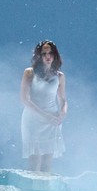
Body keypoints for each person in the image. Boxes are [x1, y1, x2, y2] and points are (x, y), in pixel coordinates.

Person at [20, 40, 67, 172]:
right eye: (44, 53)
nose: (48, 56)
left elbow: (63, 99)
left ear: (55, 55)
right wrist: (44, 115)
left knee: (47, 160)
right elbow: (24, 99)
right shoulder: (29, 73)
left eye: (51, 53)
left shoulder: (60, 76)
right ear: (39, 56)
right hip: (33, 118)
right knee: (34, 159)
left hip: (52, 120)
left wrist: (62, 115)